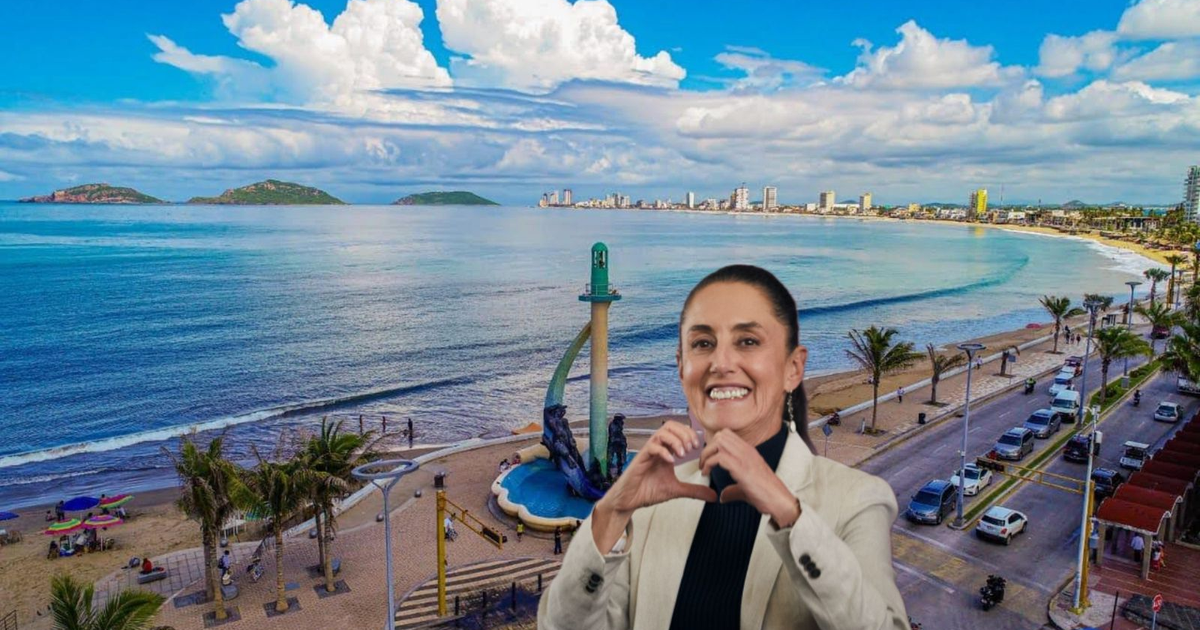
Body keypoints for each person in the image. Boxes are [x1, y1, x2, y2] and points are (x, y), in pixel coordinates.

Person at [538, 265, 908, 630]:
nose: (721, 363)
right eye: (702, 344)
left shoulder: (858, 501)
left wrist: (789, 514)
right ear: (682, 368)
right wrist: (611, 511)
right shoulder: (651, 508)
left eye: (748, 341)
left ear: (793, 368)